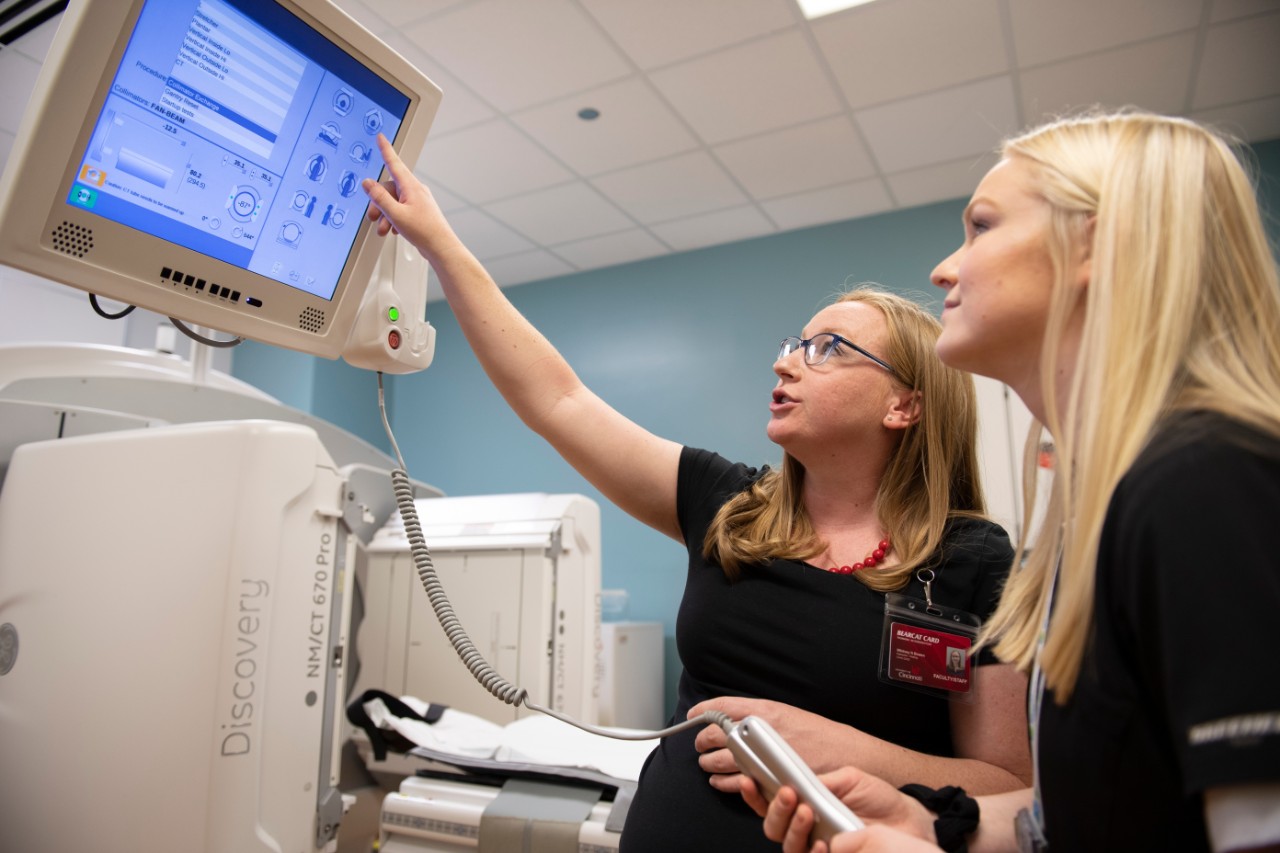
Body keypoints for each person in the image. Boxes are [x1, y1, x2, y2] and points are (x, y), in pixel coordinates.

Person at [361, 133, 1030, 852]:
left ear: (904, 405)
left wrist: (846, 750)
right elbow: (558, 400)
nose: (786, 364)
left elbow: (1005, 781)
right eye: (793, 344)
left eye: (827, 349)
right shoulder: (729, 505)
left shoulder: (972, 558)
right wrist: (439, 245)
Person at [743, 110, 1280, 853]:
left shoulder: (1208, 481)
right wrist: (937, 825)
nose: (944, 270)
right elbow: (1103, 810)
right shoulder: (1102, 506)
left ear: (1093, 244)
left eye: (981, 227)